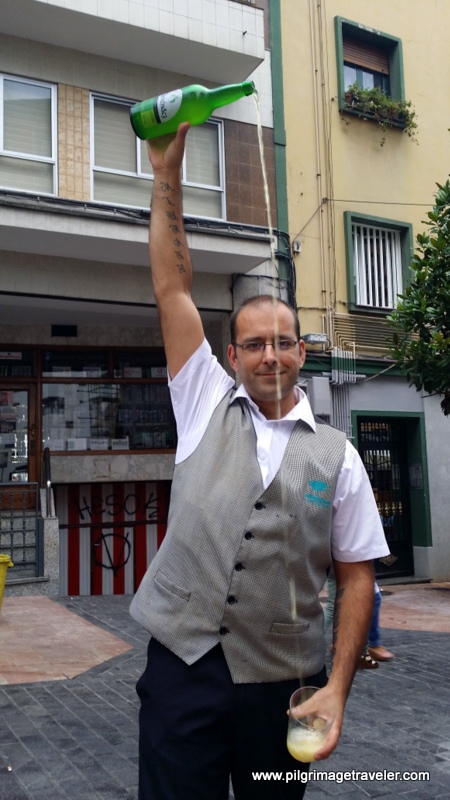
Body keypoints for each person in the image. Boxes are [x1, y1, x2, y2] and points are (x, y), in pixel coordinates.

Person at [129, 122, 390, 800]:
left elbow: (357, 577)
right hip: (182, 669)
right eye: (253, 345)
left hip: (282, 682)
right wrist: (166, 173)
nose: (268, 355)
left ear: (302, 351)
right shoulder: (202, 402)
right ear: (232, 357)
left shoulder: (341, 457)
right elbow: (172, 288)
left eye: (282, 342)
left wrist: (337, 685)